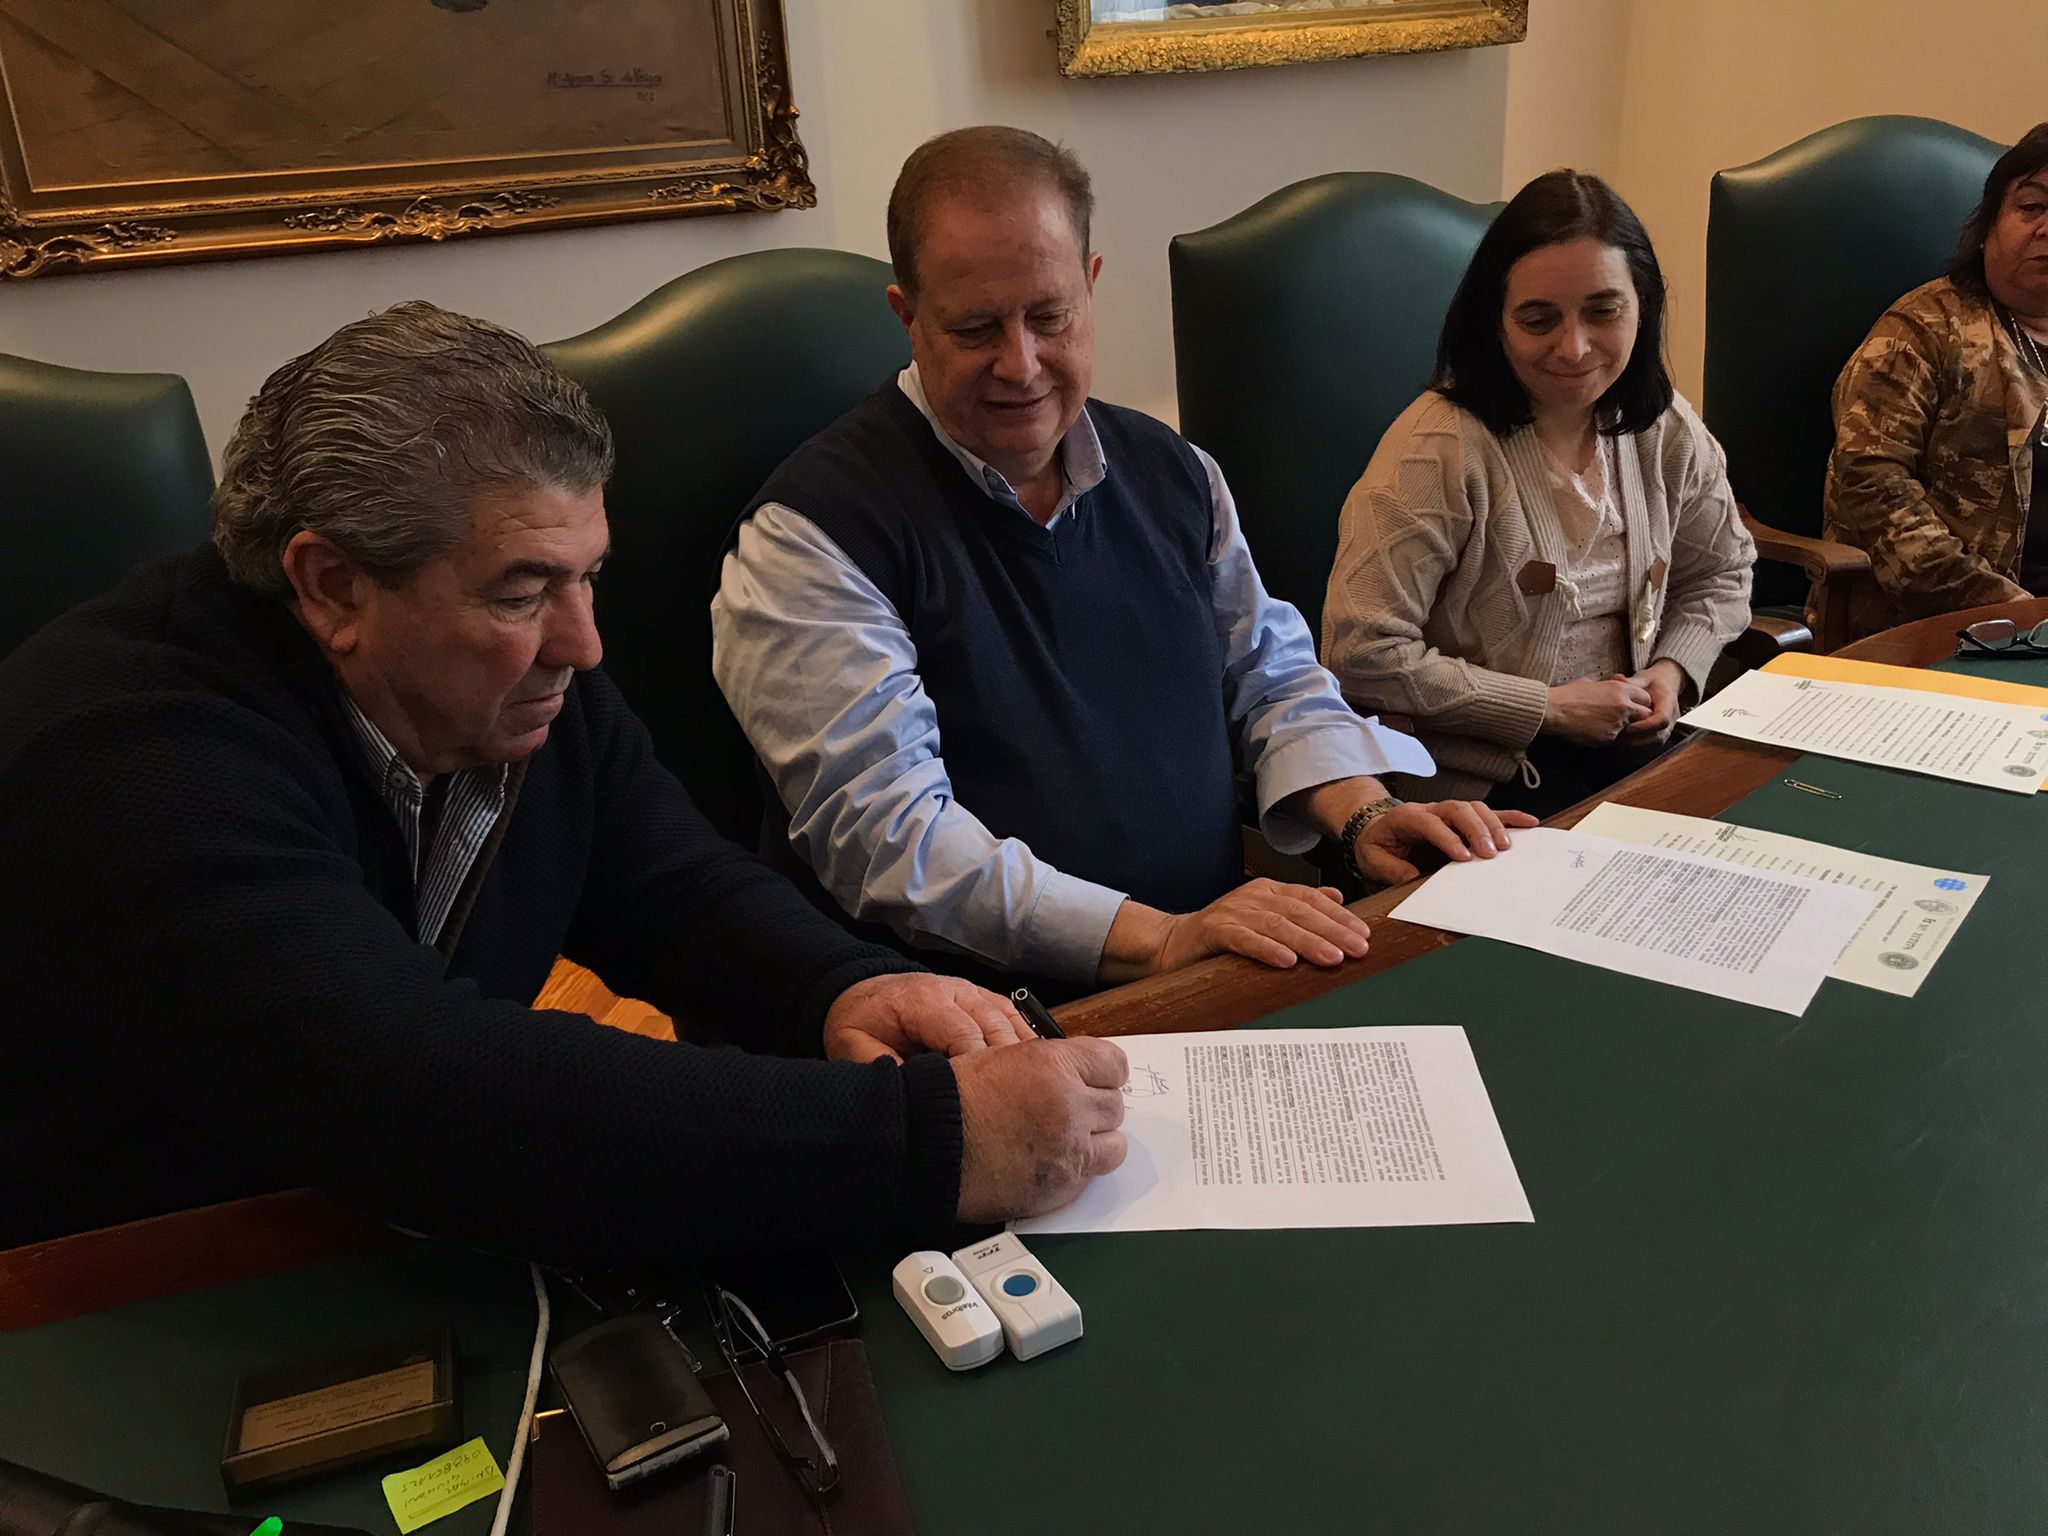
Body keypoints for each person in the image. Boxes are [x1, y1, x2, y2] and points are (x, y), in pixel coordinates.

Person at [0, 302, 1130, 1261]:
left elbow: (667, 883)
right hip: (109, 1293)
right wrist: (923, 1142)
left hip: (357, 1231)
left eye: (588, 576)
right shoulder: (128, 758)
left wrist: (836, 990)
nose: (582, 644)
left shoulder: (512, 682)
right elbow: (417, 1090)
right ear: (332, 585)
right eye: (521, 592)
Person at [711, 126, 1526, 1000]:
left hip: (1213, 961)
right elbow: (891, 841)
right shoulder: (810, 536)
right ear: (907, 317)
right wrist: (1160, 938)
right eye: (976, 328)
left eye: (1049, 316)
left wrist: (1363, 812)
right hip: (970, 1019)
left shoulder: (1176, 473)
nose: (1020, 364)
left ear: (1090, 285)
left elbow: (1269, 677)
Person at [1321, 170, 1755, 818]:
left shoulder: (1664, 427)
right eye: (1538, 319)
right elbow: (1360, 652)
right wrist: (1548, 709)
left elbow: (1723, 571)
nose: (1573, 348)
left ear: (1643, 307)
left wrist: (1671, 671)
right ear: (1495, 322)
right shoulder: (1437, 449)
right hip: (1479, 784)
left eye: (1603, 312)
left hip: (1635, 748)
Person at [1825, 122, 2048, 636]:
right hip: (1943, 629)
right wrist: (2008, 609)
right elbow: (1869, 487)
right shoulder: (1922, 330)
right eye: (2032, 206)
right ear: (1988, 225)